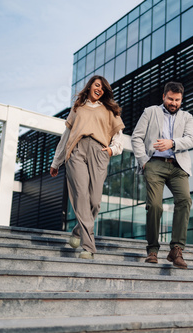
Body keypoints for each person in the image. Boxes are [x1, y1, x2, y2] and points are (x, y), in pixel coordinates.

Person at [50, 75, 125, 260]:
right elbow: (65, 136)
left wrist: (111, 150)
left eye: (102, 88)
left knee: (94, 201)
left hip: (99, 152)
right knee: (81, 195)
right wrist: (56, 161)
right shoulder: (78, 108)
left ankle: (77, 231)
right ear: (90, 86)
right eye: (96, 85)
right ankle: (89, 247)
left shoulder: (109, 110)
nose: (99, 89)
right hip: (76, 151)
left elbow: (119, 138)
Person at [131, 81, 193, 269]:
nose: (173, 103)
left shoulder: (187, 117)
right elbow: (136, 137)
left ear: (181, 100)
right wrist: (143, 160)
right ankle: (152, 250)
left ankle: (176, 249)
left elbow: (191, 139)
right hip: (155, 164)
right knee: (155, 205)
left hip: (178, 166)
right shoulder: (150, 112)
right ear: (164, 97)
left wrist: (172, 143)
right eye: (170, 99)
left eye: (177, 100)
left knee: (185, 200)